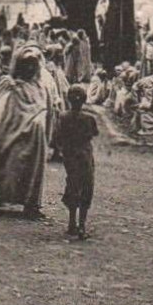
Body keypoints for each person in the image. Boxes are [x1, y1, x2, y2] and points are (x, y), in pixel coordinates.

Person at [0, 48, 51, 219]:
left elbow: (46, 109)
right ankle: (4, 195)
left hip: (36, 138)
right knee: (13, 166)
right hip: (16, 135)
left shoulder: (40, 87)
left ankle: (31, 204)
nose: (30, 69)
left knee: (33, 171)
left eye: (33, 66)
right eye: (26, 65)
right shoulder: (11, 86)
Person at [53, 85, 98, 239]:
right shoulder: (89, 118)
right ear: (85, 100)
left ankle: (71, 223)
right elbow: (93, 134)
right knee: (86, 187)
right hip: (85, 155)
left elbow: (57, 137)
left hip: (70, 157)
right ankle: (82, 226)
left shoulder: (63, 117)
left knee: (72, 185)